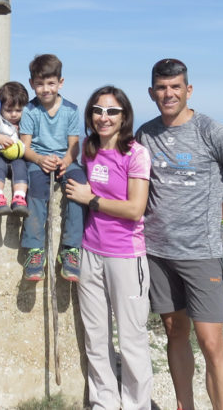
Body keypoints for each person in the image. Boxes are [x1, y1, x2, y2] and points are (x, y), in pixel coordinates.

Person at [136, 58, 223, 410]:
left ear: (188, 90)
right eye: (162, 88)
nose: (168, 93)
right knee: (175, 334)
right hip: (158, 251)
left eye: (175, 87)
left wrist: (219, 216)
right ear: (151, 92)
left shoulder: (211, 131)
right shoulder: (145, 133)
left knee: (210, 342)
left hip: (200, 252)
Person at [65, 86, 153, 409]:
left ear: (124, 116)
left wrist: (93, 200)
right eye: (98, 111)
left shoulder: (136, 154)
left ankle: (135, 404)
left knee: (131, 339)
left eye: (112, 111)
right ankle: (104, 401)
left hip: (126, 256)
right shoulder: (88, 150)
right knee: (96, 335)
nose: (104, 117)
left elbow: (135, 209)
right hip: (90, 251)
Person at [18, 53, 87, 282]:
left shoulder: (70, 109)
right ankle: (35, 250)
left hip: (65, 159)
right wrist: (39, 160)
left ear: (60, 82)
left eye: (50, 83)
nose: (45, 89)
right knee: (36, 190)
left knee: (79, 187)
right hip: (39, 160)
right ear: (32, 84)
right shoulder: (30, 110)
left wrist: (66, 161)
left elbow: (74, 145)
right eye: (39, 84)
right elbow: (24, 147)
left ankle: (71, 249)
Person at [0, 81, 30, 217]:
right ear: (0, 108)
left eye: (18, 110)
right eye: (9, 110)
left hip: (16, 157)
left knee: (21, 166)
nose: (14, 114)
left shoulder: (25, 122)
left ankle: (19, 198)